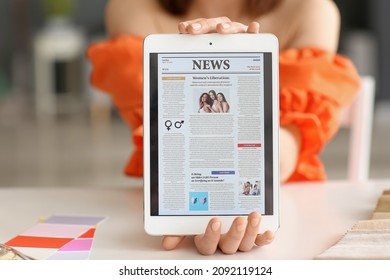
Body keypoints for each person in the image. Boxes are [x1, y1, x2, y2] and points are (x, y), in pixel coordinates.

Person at [87, 0, 361, 255]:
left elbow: (287, 146)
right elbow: (165, 142)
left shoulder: (310, 9)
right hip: (167, 211)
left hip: (289, 214)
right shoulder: (130, 7)